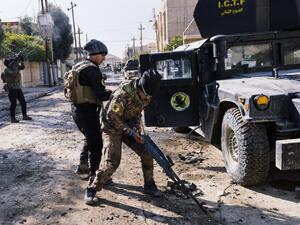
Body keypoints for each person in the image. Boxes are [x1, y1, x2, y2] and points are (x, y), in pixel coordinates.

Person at [84, 69, 162, 205]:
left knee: (147, 153)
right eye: (145, 95)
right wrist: (130, 132)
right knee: (112, 162)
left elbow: (137, 112)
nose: (146, 98)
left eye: (148, 96)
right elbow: (111, 116)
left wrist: (136, 127)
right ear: (140, 87)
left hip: (128, 125)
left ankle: (149, 185)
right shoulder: (123, 94)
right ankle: (91, 189)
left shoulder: (147, 94)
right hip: (112, 127)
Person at [70, 39, 112, 180]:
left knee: (90, 138)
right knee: (96, 144)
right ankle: (95, 176)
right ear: (94, 54)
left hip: (77, 110)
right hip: (87, 112)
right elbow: (101, 94)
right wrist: (115, 93)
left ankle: (83, 167)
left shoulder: (79, 66)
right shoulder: (92, 70)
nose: (104, 58)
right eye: (102, 55)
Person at [1, 53, 32, 123]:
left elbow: (23, 67)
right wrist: (15, 65)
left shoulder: (14, 66)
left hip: (17, 88)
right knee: (13, 103)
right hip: (11, 88)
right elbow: (14, 74)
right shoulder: (7, 70)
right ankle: (12, 118)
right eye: (10, 61)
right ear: (8, 64)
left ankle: (24, 116)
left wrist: (21, 61)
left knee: (23, 102)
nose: (11, 61)